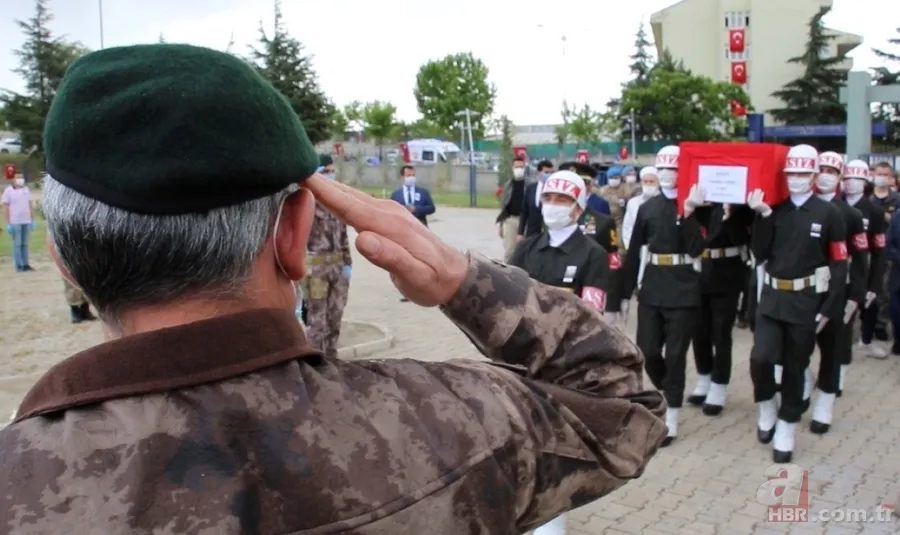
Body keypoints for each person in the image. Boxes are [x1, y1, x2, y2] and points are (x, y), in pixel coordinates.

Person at [0, 44, 667, 533]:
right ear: (295, 233)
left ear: (65, 260)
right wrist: (462, 279)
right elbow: (624, 405)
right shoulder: (449, 424)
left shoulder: (18, 484)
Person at [508, 170, 618, 535]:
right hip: (521, 360)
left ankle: (552, 519)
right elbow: (508, 301)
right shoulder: (526, 249)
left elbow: (592, 317)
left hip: (565, 364)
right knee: (521, 438)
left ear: (578, 209)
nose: (553, 206)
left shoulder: (593, 255)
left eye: (563, 200)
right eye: (548, 198)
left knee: (556, 444)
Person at [747, 144, 848, 463]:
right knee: (761, 358)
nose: (796, 179)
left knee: (795, 365)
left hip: (806, 301)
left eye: (803, 173)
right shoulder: (775, 209)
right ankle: (766, 405)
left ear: (814, 175)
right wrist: (763, 215)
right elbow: (760, 253)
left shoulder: (829, 213)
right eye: (791, 173)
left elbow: (839, 263)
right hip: (772, 297)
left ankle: (787, 426)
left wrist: (829, 307)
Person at [622, 145, 706, 447]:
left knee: (676, 353)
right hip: (654, 283)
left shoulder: (699, 205)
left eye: (673, 168)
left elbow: (697, 248)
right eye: (663, 168)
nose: (667, 174)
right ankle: (665, 389)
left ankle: (671, 413)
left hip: (683, 285)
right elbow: (635, 250)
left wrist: (689, 213)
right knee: (647, 349)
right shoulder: (648, 207)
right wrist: (623, 294)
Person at [806, 152, 867, 434]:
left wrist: (856, 296)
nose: (825, 175)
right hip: (805, 290)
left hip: (837, 290)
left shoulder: (852, 215)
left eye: (832, 171)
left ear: (840, 176)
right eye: (822, 169)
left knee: (832, 350)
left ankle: (825, 404)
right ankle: (804, 382)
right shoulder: (802, 207)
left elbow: (861, 259)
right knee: (796, 346)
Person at [685, 200, 754, 416]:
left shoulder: (739, 206)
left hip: (727, 273)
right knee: (699, 330)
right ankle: (704, 376)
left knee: (721, 332)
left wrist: (728, 215)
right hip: (700, 271)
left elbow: (743, 239)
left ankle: (719, 384)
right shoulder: (699, 203)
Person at [557, 161, 623, 323]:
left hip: (588, 295)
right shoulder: (552, 219)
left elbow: (613, 265)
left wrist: (612, 304)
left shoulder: (603, 221)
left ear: (587, 186)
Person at [303, 154, 353, 358]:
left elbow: (343, 236)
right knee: (317, 322)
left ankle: (332, 361)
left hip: (338, 268)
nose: (330, 175)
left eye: (332, 171)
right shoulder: (306, 201)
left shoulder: (336, 202)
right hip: (317, 270)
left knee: (335, 318)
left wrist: (348, 263)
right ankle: (315, 365)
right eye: (325, 171)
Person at [845, 160, 889, 359]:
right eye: (848, 178)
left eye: (857, 178)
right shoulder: (833, 206)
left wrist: (875, 283)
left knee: (869, 305)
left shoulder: (875, 212)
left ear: (865, 182)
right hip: (836, 266)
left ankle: (866, 340)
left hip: (862, 265)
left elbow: (879, 250)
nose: (851, 182)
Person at [869, 161, 899, 342]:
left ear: (891, 178)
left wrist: (887, 218)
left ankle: (881, 324)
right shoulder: (866, 198)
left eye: (885, 174)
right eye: (878, 174)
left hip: (887, 253)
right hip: (867, 251)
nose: (881, 177)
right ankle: (866, 325)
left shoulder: (897, 200)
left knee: (885, 291)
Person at [496, 156, 527, 261]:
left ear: (524, 168)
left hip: (525, 221)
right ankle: (507, 269)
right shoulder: (508, 185)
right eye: (516, 167)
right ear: (512, 168)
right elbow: (504, 206)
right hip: (511, 220)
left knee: (525, 250)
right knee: (510, 251)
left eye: (521, 167)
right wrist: (501, 225)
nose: (519, 169)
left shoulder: (530, 185)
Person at [2, 177, 35, 272]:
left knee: (25, 244)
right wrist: (8, 223)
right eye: (18, 177)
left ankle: (25, 264)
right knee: (17, 243)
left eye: (21, 177)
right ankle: (18, 265)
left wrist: (32, 220)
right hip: (15, 221)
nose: (21, 179)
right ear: (14, 180)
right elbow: (5, 207)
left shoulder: (26, 190)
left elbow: (30, 205)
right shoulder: (8, 191)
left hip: (26, 221)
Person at [622, 167, 659, 249]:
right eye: (645, 181)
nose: (648, 184)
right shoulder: (633, 202)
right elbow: (627, 226)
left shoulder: (663, 202)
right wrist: (629, 246)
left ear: (657, 183)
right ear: (641, 183)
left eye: (651, 181)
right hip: (637, 246)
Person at [518, 159, 554, 240]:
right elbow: (524, 212)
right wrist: (520, 232)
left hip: (549, 233)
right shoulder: (531, 188)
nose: (549, 175)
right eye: (546, 172)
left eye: (551, 173)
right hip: (532, 233)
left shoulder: (555, 190)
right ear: (538, 173)